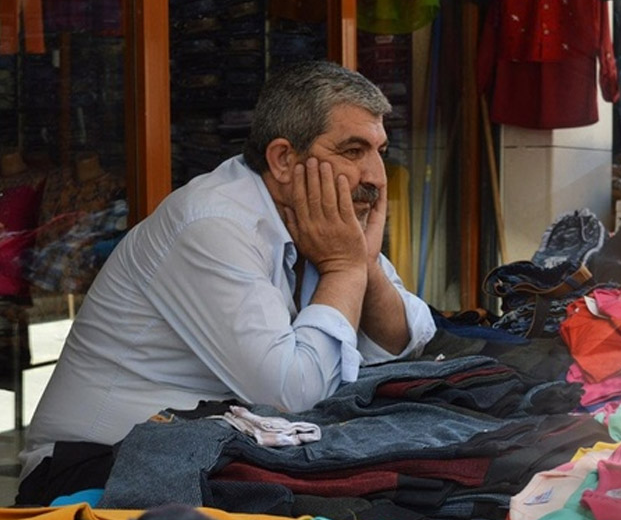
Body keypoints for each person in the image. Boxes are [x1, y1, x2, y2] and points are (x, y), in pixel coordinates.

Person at [19, 62, 436, 485]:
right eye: (352, 151)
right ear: (284, 159)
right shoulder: (213, 224)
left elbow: (405, 339)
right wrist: (345, 269)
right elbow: (294, 394)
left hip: (193, 450)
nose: (377, 178)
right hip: (90, 469)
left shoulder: (319, 221)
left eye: (379, 152)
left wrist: (364, 265)